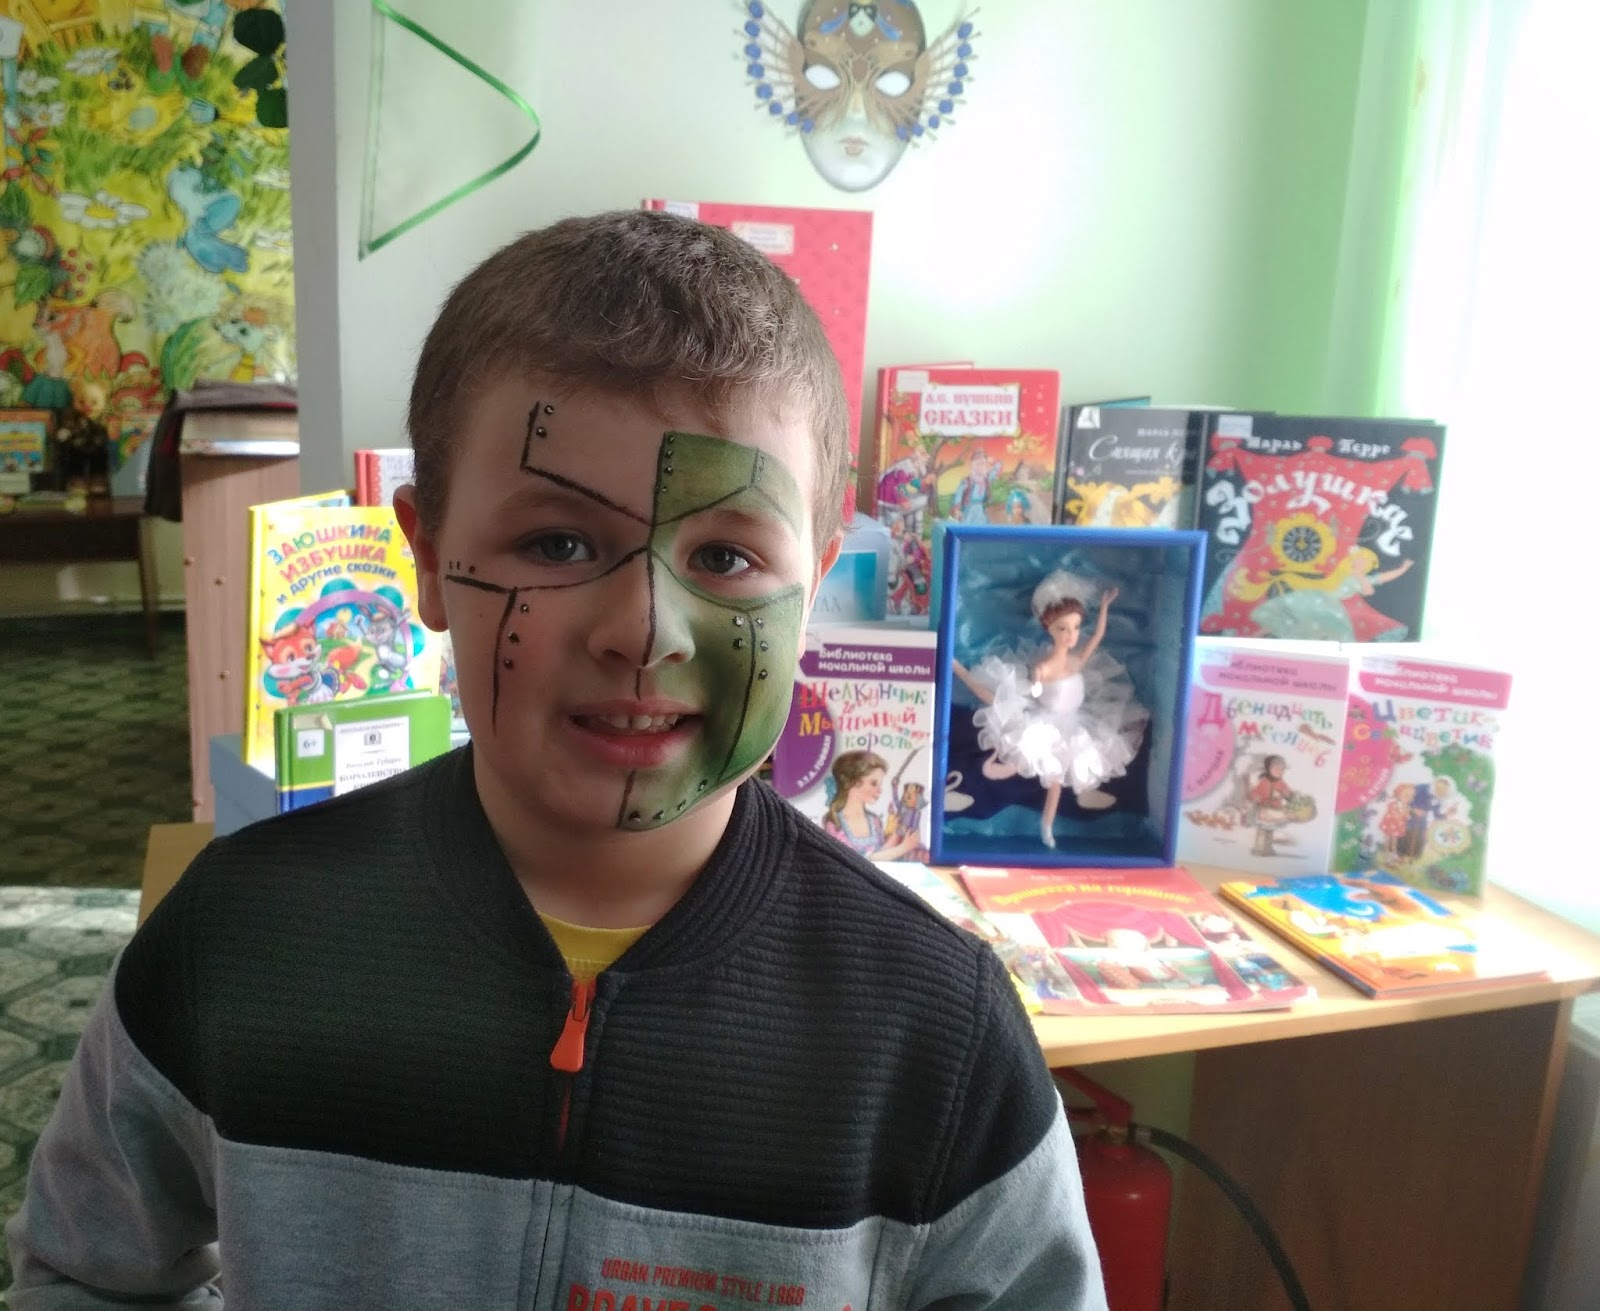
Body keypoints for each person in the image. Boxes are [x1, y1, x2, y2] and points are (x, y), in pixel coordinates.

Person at [6, 210, 1106, 1307]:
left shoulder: (937, 1034)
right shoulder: (236, 939)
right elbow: (84, 1272)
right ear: (428, 555)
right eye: (558, 543)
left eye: (725, 556)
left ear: (812, 582)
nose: (643, 630)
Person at [952, 572, 1147, 849]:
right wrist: (968, 675)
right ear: (1049, 628)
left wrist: (1104, 607)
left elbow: (1098, 636)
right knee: (1039, 762)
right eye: (1062, 628)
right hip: (1046, 723)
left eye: (1075, 627)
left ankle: (1047, 821)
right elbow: (1021, 695)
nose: (1071, 635)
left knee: (1064, 773)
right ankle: (1023, 796)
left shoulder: (1076, 662)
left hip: (1076, 723)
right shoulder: (1042, 668)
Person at [820, 749, 922, 862]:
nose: (880, 790)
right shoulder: (834, 822)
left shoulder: (874, 821)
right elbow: (859, 860)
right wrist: (903, 848)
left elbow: (880, 852)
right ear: (853, 782)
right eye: (873, 783)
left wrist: (896, 835)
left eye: (880, 784)